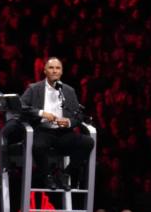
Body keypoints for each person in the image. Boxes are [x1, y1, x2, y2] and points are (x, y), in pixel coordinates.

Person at [15, 57, 93, 190]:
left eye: (57, 68)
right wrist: (41, 113)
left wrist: (68, 122)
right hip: (43, 130)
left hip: (63, 133)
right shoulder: (34, 88)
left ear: (61, 72)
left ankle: (65, 174)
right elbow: (20, 105)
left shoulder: (68, 91)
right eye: (51, 68)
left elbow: (78, 115)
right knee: (38, 145)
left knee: (88, 142)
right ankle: (47, 176)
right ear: (45, 71)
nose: (54, 71)